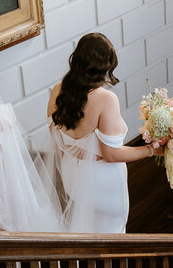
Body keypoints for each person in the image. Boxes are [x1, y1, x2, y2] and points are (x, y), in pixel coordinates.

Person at [47, 33, 156, 235]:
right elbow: (111, 154)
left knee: (86, 232)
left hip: (74, 176)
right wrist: (151, 150)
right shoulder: (106, 98)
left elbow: (56, 140)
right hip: (102, 182)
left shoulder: (57, 90)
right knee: (113, 235)